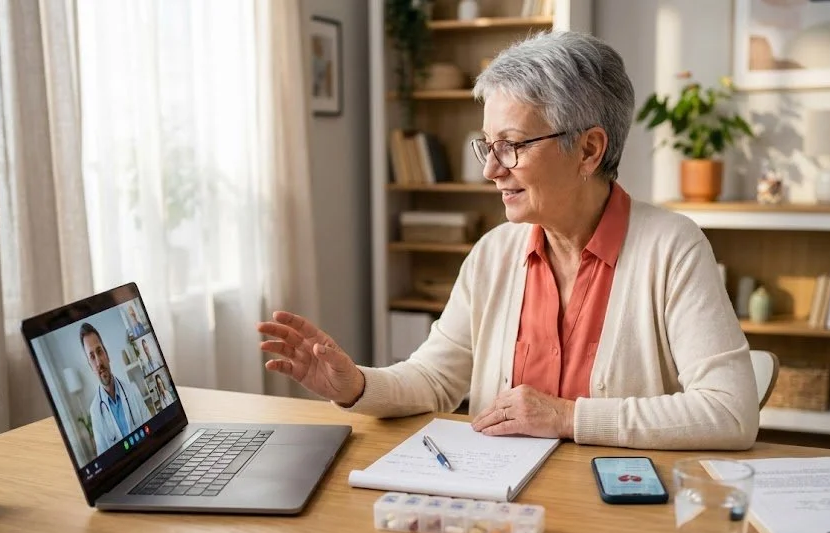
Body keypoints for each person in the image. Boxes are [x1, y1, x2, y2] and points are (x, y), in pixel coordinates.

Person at [257, 31, 759, 451]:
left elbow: (730, 411)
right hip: (499, 511)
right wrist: (356, 385)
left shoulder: (673, 249)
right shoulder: (492, 254)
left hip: (617, 519)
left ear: (588, 149)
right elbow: (434, 379)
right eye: (488, 145)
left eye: (512, 145)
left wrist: (566, 417)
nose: (490, 170)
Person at [82, 323, 153, 455]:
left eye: (99, 351)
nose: (98, 362)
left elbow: (152, 431)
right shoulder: (95, 412)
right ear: (90, 366)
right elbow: (104, 458)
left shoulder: (133, 390)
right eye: (92, 357)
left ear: (107, 355)